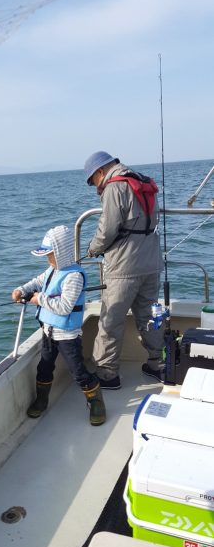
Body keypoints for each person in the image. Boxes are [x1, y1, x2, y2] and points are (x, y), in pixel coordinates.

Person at [84, 150, 164, 390]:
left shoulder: (114, 187)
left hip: (123, 267)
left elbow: (107, 230)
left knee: (111, 321)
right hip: (151, 263)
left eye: (93, 181)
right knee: (150, 318)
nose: (95, 187)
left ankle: (107, 375)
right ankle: (158, 364)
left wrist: (93, 249)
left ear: (101, 171)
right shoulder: (142, 180)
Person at [12, 225, 106, 426]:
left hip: (67, 336)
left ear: (61, 252)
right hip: (48, 332)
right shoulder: (52, 270)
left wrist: (39, 299)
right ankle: (42, 400)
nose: (48, 259)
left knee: (78, 373)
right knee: (44, 368)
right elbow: (37, 282)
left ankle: (96, 402)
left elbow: (64, 307)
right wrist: (22, 290)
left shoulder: (74, 276)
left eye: (50, 254)